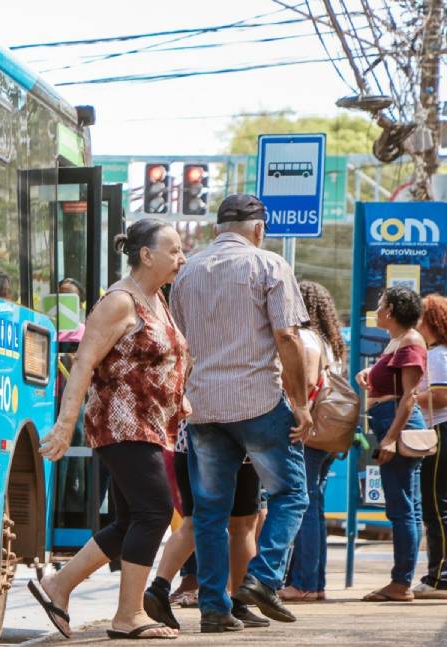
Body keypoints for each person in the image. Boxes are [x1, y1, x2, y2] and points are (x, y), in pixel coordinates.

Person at [33, 218, 188, 640]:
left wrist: (180, 399)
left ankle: (58, 585)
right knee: (154, 511)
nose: (181, 258)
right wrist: (65, 426)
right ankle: (128, 615)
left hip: (151, 425)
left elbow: (159, 361)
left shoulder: (157, 299)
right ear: (146, 255)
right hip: (121, 424)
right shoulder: (119, 302)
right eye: (173, 250)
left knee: (128, 521)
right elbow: (83, 363)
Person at [169, 194, 313, 633]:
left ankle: (214, 608)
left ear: (217, 228)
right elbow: (287, 337)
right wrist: (302, 403)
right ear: (259, 229)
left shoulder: (187, 271)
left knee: (210, 512)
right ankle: (263, 580)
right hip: (257, 402)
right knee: (292, 494)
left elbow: (181, 344)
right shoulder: (269, 265)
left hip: (205, 408)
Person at [145, 422, 268, 629]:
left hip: (189, 441)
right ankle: (237, 603)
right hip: (239, 441)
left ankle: (158, 589)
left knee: (193, 522)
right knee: (243, 524)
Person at [358, 286, 427, 602]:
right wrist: (369, 374)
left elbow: (409, 398)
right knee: (406, 507)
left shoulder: (411, 341)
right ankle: (401, 580)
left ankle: (400, 583)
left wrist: (390, 438)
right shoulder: (397, 341)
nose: (378, 308)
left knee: (402, 509)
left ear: (393, 310)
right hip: (390, 421)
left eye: (382, 304)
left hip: (398, 426)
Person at [280, 281, 348, 602]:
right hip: (328, 434)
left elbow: (305, 384)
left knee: (304, 505)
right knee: (315, 505)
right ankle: (315, 582)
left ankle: (304, 582)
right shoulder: (331, 342)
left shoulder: (307, 340)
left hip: (308, 432)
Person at [413, 294, 447, 599]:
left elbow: (441, 395)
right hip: (439, 427)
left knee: (436, 506)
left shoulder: (438, 356)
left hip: (439, 428)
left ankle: (440, 577)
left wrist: (409, 397)